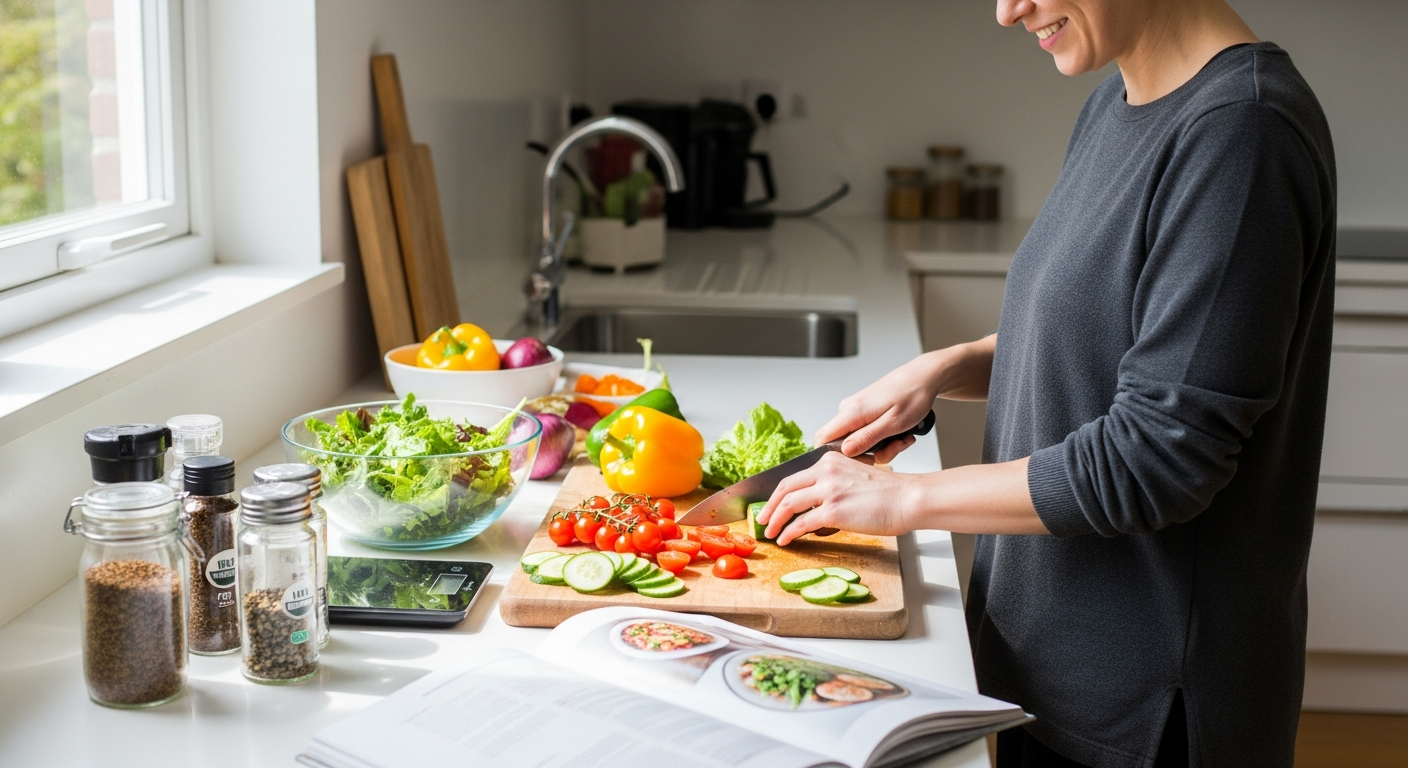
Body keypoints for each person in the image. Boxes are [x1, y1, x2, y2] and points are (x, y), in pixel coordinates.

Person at [757, 0, 1336, 765]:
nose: (1007, 11)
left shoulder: (1242, 134)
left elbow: (1157, 458)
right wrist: (945, 368)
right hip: (1048, 670)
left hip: (1146, 708)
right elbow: (1106, 337)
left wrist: (904, 500)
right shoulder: (1116, 100)